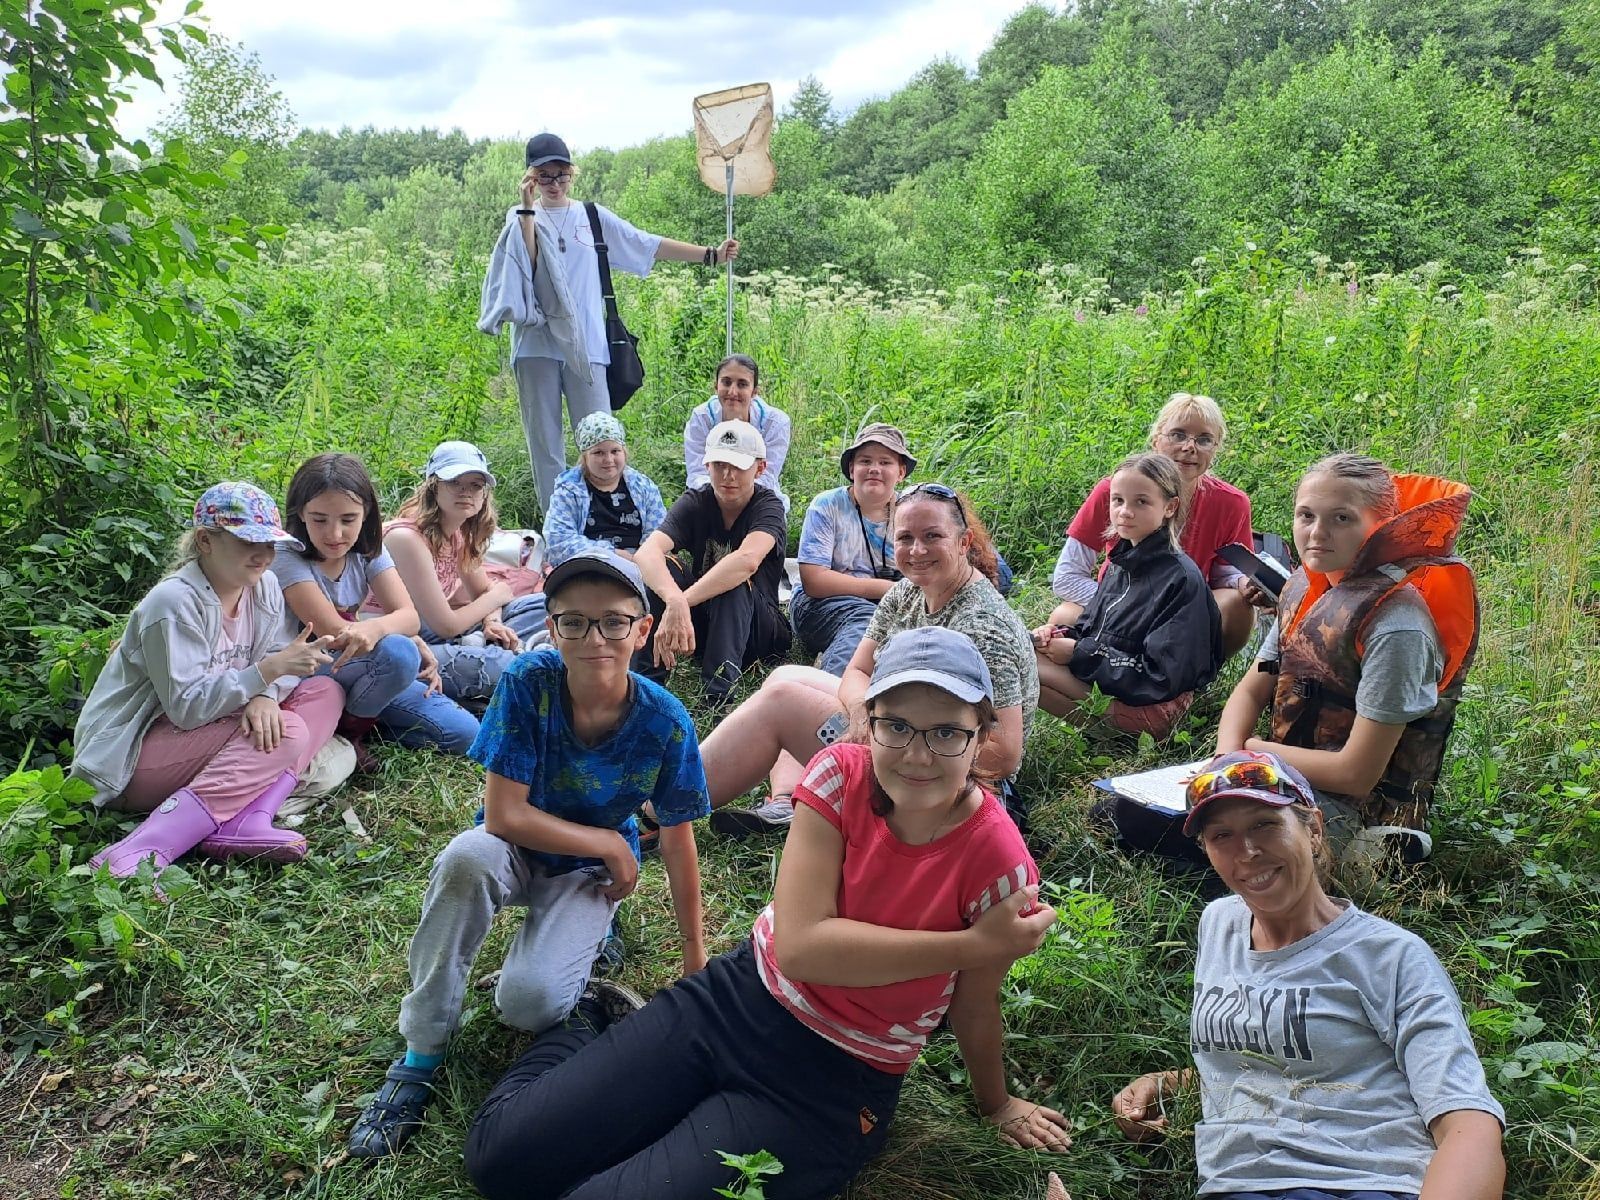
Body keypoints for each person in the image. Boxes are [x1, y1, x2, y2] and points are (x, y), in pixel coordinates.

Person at [463, 627, 1070, 1200]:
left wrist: (996, 1103)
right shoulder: (839, 775)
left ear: (982, 736)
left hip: (836, 1079)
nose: (917, 754)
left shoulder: (999, 862)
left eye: (946, 733)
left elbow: (975, 1002)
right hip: (740, 997)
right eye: (897, 726)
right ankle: (592, 1017)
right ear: (868, 721)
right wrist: (971, 946)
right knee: (499, 1160)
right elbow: (801, 948)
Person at [345, 551, 710, 1160]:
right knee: (466, 856)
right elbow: (504, 816)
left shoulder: (665, 721)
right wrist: (608, 842)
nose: (594, 638)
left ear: (642, 630)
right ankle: (418, 1057)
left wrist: (694, 954)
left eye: (614, 621)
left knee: (528, 1004)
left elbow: (677, 837)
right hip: (514, 847)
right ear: (552, 625)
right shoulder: (528, 681)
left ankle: (592, 938)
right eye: (574, 622)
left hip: (586, 874)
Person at [1112, 749, 1506, 1200]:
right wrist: (1166, 1083)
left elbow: (1468, 1124)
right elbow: (1274, 1059)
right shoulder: (1220, 924)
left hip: (1366, 1184)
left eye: (1265, 824)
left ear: (1314, 829)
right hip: (1241, 1186)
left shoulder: (1389, 956)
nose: (1248, 851)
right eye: (1222, 835)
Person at [708, 482, 1037, 836]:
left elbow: (1004, 755)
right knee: (784, 677)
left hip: (952, 783)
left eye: (932, 536)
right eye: (905, 538)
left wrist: (890, 737)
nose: (917, 550)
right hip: (902, 729)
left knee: (782, 702)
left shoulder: (983, 626)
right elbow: (859, 669)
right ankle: (787, 802)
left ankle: (669, 803)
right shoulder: (909, 590)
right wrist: (864, 717)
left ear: (964, 542)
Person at [71, 483, 343, 882]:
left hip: (210, 725)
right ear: (205, 541)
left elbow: (277, 650)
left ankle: (251, 818)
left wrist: (266, 694)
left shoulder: (263, 585)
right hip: (131, 754)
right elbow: (185, 709)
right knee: (287, 733)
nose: (264, 555)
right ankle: (137, 853)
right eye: (248, 542)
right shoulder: (173, 603)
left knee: (325, 692)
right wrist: (265, 674)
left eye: (269, 543)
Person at [1214, 453, 1479, 861]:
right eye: (1306, 516)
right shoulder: (1306, 588)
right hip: (1281, 775)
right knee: (1131, 815)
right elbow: (1253, 688)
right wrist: (1226, 760)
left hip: (1355, 810)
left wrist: (1252, 754)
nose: (1317, 533)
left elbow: (1356, 775)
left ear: (1382, 526)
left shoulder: (1397, 629)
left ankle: (1378, 853)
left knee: (1215, 844)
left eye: (1342, 518)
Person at [483, 132, 741, 511]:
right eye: (544, 176)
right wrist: (526, 208)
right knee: (545, 444)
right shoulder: (520, 216)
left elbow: (644, 243)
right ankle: (559, 525)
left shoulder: (591, 216)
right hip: (535, 343)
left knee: (601, 438)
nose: (554, 184)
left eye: (561, 175)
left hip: (587, 344)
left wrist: (710, 255)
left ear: (572, 173)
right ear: (531, 177)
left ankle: (606, 518)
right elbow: (529, 260)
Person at [274, 453, 479, 767]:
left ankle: (359, 720)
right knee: (400, 652)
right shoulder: (286, 555)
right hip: (308, 673)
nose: (335, 534)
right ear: (301, 513)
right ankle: (350, 734)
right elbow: (334, 634)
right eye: (320, 519)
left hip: (364, 668)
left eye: (348, 519)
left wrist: (383, 629)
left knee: (465, 735)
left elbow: (409, 617)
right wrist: (393, 633)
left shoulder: (368, 550)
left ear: (366, 512)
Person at [1049, 393, 1256, 658]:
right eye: (1178, 435)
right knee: (1063, 617)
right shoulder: (1114, 491)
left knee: (1237, 605)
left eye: (1204, 439)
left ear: (1216, 448)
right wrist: (1130, 608)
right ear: (1156, 440)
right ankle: (1099, 677)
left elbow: (1223, 575)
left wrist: (1246, 583)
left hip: (1182, 611)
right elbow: (1066, 576)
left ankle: (1197, 674)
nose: (1189, 447)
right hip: (1115, 603)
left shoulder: (1231, 503)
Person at [1032, 452, 1223, 740]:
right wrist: (1058, 635)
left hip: (1153, 708)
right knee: (1024, 653)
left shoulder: (1179, 579)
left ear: (1170, 507)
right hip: (1117, 687)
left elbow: (1159, 677)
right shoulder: (1121, 563)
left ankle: (1117, 742)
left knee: (1026, 666)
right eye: (1118, 500)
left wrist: (1079, 653)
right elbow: (1093, 631)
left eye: (1141, 502)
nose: (1125, 512)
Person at [634, 419, 791, 706]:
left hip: (759, 632)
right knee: (664, 567)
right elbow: (646, 553)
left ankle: (718, 699)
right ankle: (644, 685)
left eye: (738, 466)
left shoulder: (769, 506)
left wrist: (681, 602)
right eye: (719, 465)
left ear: (760, 468)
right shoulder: (697, 501)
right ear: (707, 466)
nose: (728, 475)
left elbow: (747, 561)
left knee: (733, 580)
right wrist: (673, 598)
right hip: (705, 624)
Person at [382, 441, 549, 704]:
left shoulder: (458, 532)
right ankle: (490, 655)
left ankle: (481, 645)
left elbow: (484, 589)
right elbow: (448, 624)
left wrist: (492, 622)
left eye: (475, 485)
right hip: (399, 646)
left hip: (438, 632)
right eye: (454, 482)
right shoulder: (406, 538)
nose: (466, 492)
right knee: (507, 665)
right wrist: (496, 597)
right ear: (433, 486)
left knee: (547, 604)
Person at [789, 422, 913, 675]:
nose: (874, 469)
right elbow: (814, 581)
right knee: (866, 622)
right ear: (851, 469)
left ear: (900, 472)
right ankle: (835, 693)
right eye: (865, 461)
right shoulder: (827, 505)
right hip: (820, 603)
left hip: (891, 603)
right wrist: (889, 589)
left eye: (885, 462)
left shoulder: (912, 511)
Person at [542, 411, 667, 567]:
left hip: (639, 565)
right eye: (598, 452)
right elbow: (558, 543)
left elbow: (659, 535)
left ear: (624, 452)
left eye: (615, 451)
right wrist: (611, 554)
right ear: (584, 457)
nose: (608, 460)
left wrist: (641, 560)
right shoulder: (568, 491)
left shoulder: (644, 487)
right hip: (588, 566)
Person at [683, 354, 790, 509]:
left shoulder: (775, 423)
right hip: (710, 500)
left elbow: (766, 477)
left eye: (742, 384)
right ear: (716, 386)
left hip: (757, 502)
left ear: (754, 391)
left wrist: (735, 504)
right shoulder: (701, 418)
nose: (732, 392)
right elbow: (697, 474)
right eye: (726, 382)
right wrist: (721, 504)